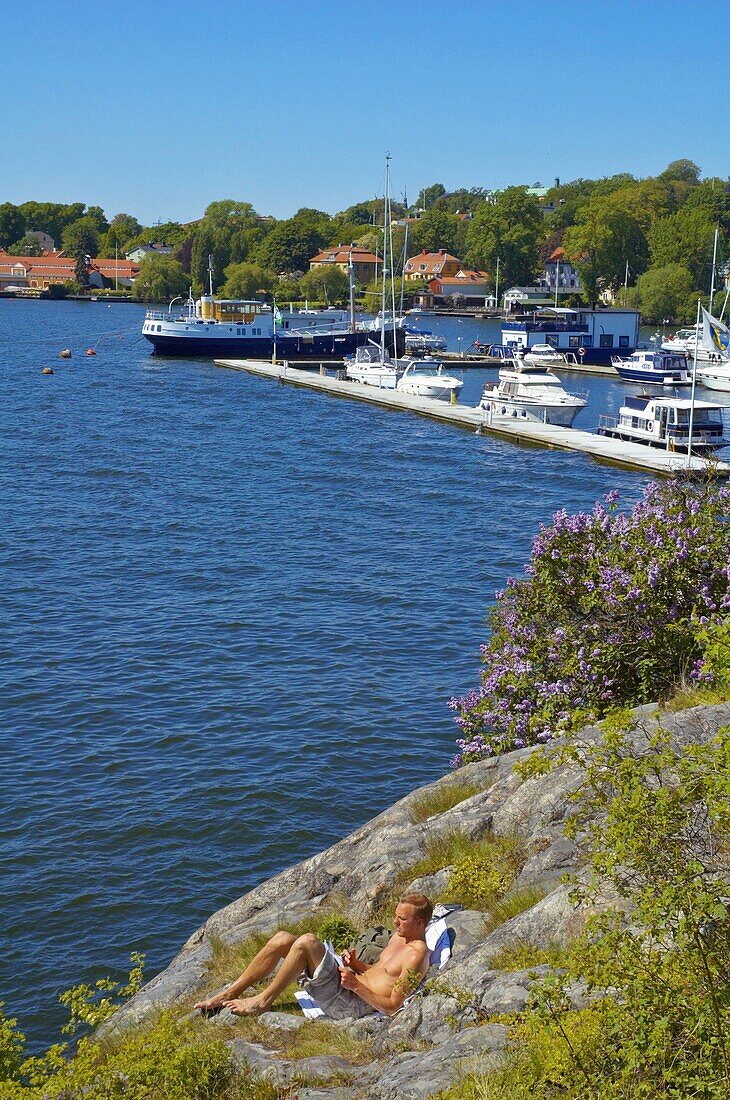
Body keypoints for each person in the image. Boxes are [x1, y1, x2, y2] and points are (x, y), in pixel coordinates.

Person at [194, 893, 433, 1019]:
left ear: (419, 922)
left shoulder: (415, 957)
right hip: (348, 985)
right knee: (282, 938)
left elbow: (392, 1006)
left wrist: (355, 986)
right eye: (396, 916)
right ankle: (230, 993)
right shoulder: (400, 937)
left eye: (401, 919)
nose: (394, 922)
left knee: (306, 942)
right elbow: (381, 974)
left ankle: (262, 1002)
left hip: (351, 1004)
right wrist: (357, 965)